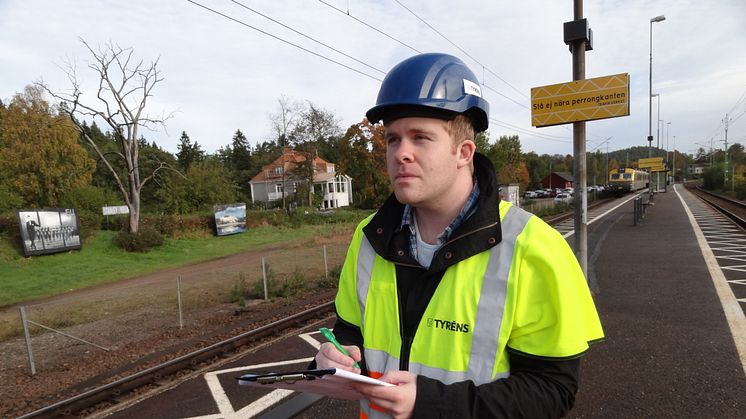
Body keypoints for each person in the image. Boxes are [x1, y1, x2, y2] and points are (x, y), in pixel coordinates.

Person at [314, 53, 604, 419]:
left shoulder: (533, 247)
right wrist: (335, 354)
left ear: (464, 153)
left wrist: (430, 404)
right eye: (392, 139)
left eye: (420, 138)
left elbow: (552, 390)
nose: (401, 153)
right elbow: (349, 330)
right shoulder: (369, 237)